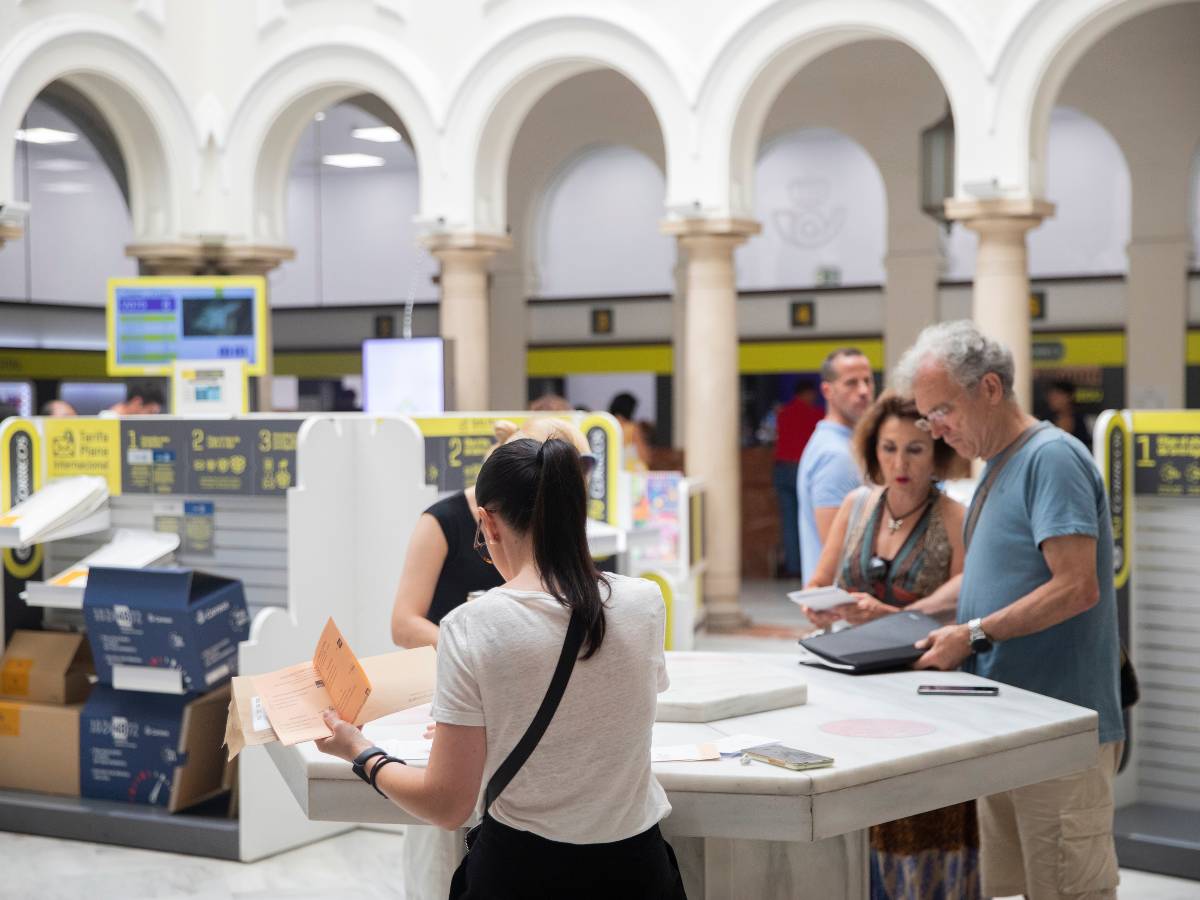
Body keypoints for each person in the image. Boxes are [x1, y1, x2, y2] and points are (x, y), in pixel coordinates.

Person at [320, 436, 685, 899]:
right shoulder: (644, 601)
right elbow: (605, 711)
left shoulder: (471, 626)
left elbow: (447, 806)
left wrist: (359, 751)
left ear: (487, 523)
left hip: (523, 873)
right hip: (637, 871)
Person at [895, 320, 1123, 900]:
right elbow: (993, 576)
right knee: (1015, 884)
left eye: (942, 410)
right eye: (927, 416)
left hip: (1060, 731)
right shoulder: (998, 465)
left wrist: (972, 634)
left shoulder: (1052, 459)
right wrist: (906, 614)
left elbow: (1076, 587)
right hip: (1008, 727)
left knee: (1068, 886)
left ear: (990, 389)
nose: (936, 429)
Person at [389, 417, 593, 900]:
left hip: (514, 698)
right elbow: (403, 623)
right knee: (439, 855)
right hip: (459, 692)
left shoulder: (551, 530)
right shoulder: (441, 522)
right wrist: (477, 650)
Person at [802, 391, 975, 898]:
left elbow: (966, 588)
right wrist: (822, 605)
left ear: (937, 452)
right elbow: (819, 578)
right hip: (852, 682)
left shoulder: (953, 514)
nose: (899, 463)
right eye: (888, 448)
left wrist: (898, 615)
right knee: (859, 812)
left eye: (915, 450)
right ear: (872, 450)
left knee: (923, 811)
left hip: (924, 682)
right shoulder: (857, 505)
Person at [796, 348, 875, 584]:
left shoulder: (841, 444)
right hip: (843, 610)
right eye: (851, 383)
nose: (863, 391)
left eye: (867, 381)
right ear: (827, 390)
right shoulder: (836, 455)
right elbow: (839, 553)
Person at [773, 382, 822, 578]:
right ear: (808, 393)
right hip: (802, 469)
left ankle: (793, 566)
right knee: (808, 520)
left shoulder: (783, 413)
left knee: (789, 522)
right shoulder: (816, 414)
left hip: (781, 469)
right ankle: (808, 568)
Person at [1044, 379, 1092, 448]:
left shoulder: (1080, 420)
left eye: (1057, 396)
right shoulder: (1046, 421)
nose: (1053, 400)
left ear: (1069, 397)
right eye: (1051, 396)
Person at [609, 392, 650, 472]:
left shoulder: (608, 426)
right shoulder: (632, 428)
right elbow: (644, 456)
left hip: (611, 472)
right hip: (630, 473)